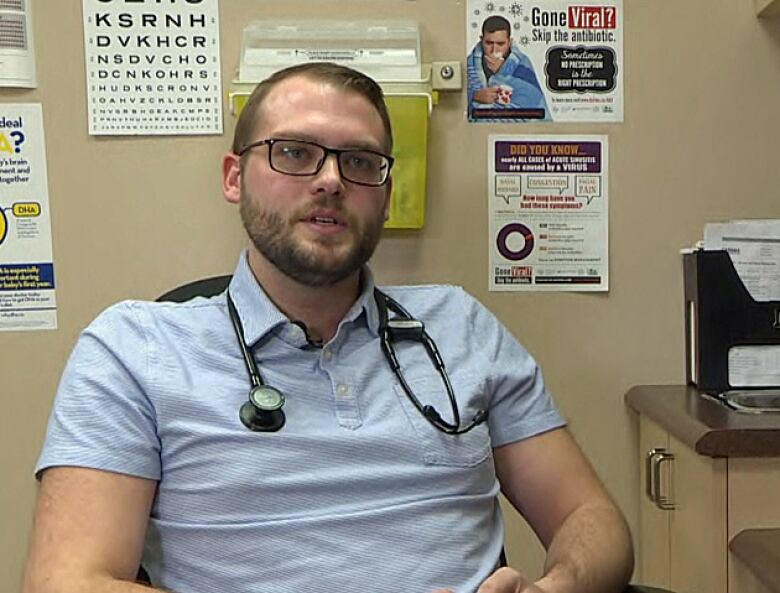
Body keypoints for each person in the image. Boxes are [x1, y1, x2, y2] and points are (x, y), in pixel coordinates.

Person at [22, 62, 631, 593]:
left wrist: (556, 587)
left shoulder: (460, 326)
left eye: (360, 161)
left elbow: (591, 518)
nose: (332, 180)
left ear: (386, 196)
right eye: (294, 152)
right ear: (234, 177)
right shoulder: (136, 349)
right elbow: (66, 581)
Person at [467, 15, 551, 121]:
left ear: (509, 42)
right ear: (481, 40)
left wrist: (501, 73)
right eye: (489, 43)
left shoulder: (522, 64)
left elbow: (531, 99)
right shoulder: (470, 64)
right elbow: (456, 103)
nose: (494, 50)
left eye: (500, 44)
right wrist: (474, 96)